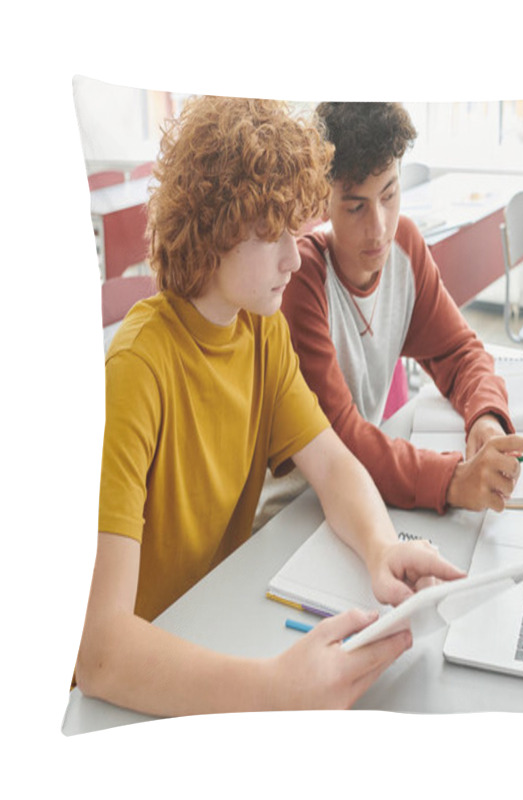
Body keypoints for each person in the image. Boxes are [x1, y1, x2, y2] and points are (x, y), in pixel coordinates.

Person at [74, 95, 464, 718]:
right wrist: (273, 691)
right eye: (269, 235)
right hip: (133, 688)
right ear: (211, 235)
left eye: (295, 229)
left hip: (210, 630)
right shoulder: (138, 368)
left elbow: (334, 468)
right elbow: (97, 652)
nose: (293, 256)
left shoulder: (260, 330)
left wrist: (381, 547)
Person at [279, 102, 523, 518]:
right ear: (322, 202)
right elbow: (341, 435)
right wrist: (453, 479)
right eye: (355, 206)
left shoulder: (405, 246)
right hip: (298, 509)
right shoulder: (302, 279)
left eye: (389, 195)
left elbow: (460, 353)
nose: (379, 227)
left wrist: (484, 419)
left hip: (364, 495)